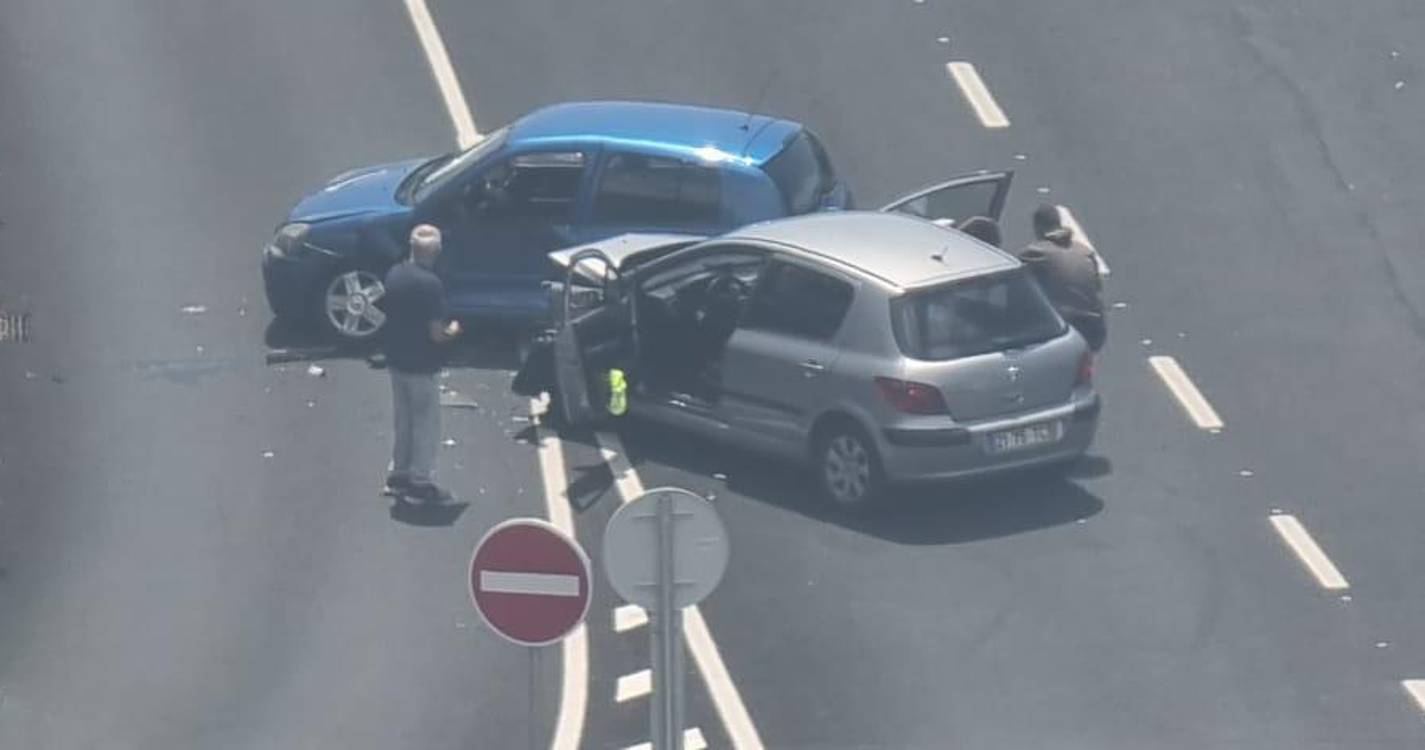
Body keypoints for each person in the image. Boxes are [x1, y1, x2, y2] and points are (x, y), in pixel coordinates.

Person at [381, 224, 461, 501]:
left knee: (403, 420)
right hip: (422, 365)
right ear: (436, 251)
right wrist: (454, 330)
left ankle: (398, 474)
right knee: (425, 424)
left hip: (397, 360)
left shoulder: (394, 274)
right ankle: (420, 483)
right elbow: (436, 334)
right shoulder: (431, 285)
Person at [1017, 204, 1106, 351]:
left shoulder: (1035, 253)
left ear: (1037, 227)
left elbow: (1017, 291)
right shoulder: (1085, 252)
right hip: (1095, 329)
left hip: (1064, 329)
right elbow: (1098, 290)